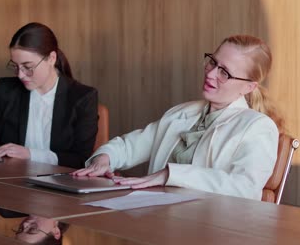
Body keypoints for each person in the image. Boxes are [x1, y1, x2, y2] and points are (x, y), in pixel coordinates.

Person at [73, 35, 283, 201]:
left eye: (224, 73)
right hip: (158, 223)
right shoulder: (182, 112)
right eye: (212, 62)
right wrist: (104, 158)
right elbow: (130, 146)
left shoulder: (258, 127)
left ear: (249, 87)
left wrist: (170, 175)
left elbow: (244, 188)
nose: (210, 74)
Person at [0, 22, 98, 168]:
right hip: (13, 183)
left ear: (51, 58)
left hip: (63, 186)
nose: (20, 75)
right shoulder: (5, 90)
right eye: (15, 66)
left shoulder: (82, 98)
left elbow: (82, 160)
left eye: (27, 67)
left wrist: (30, 154)